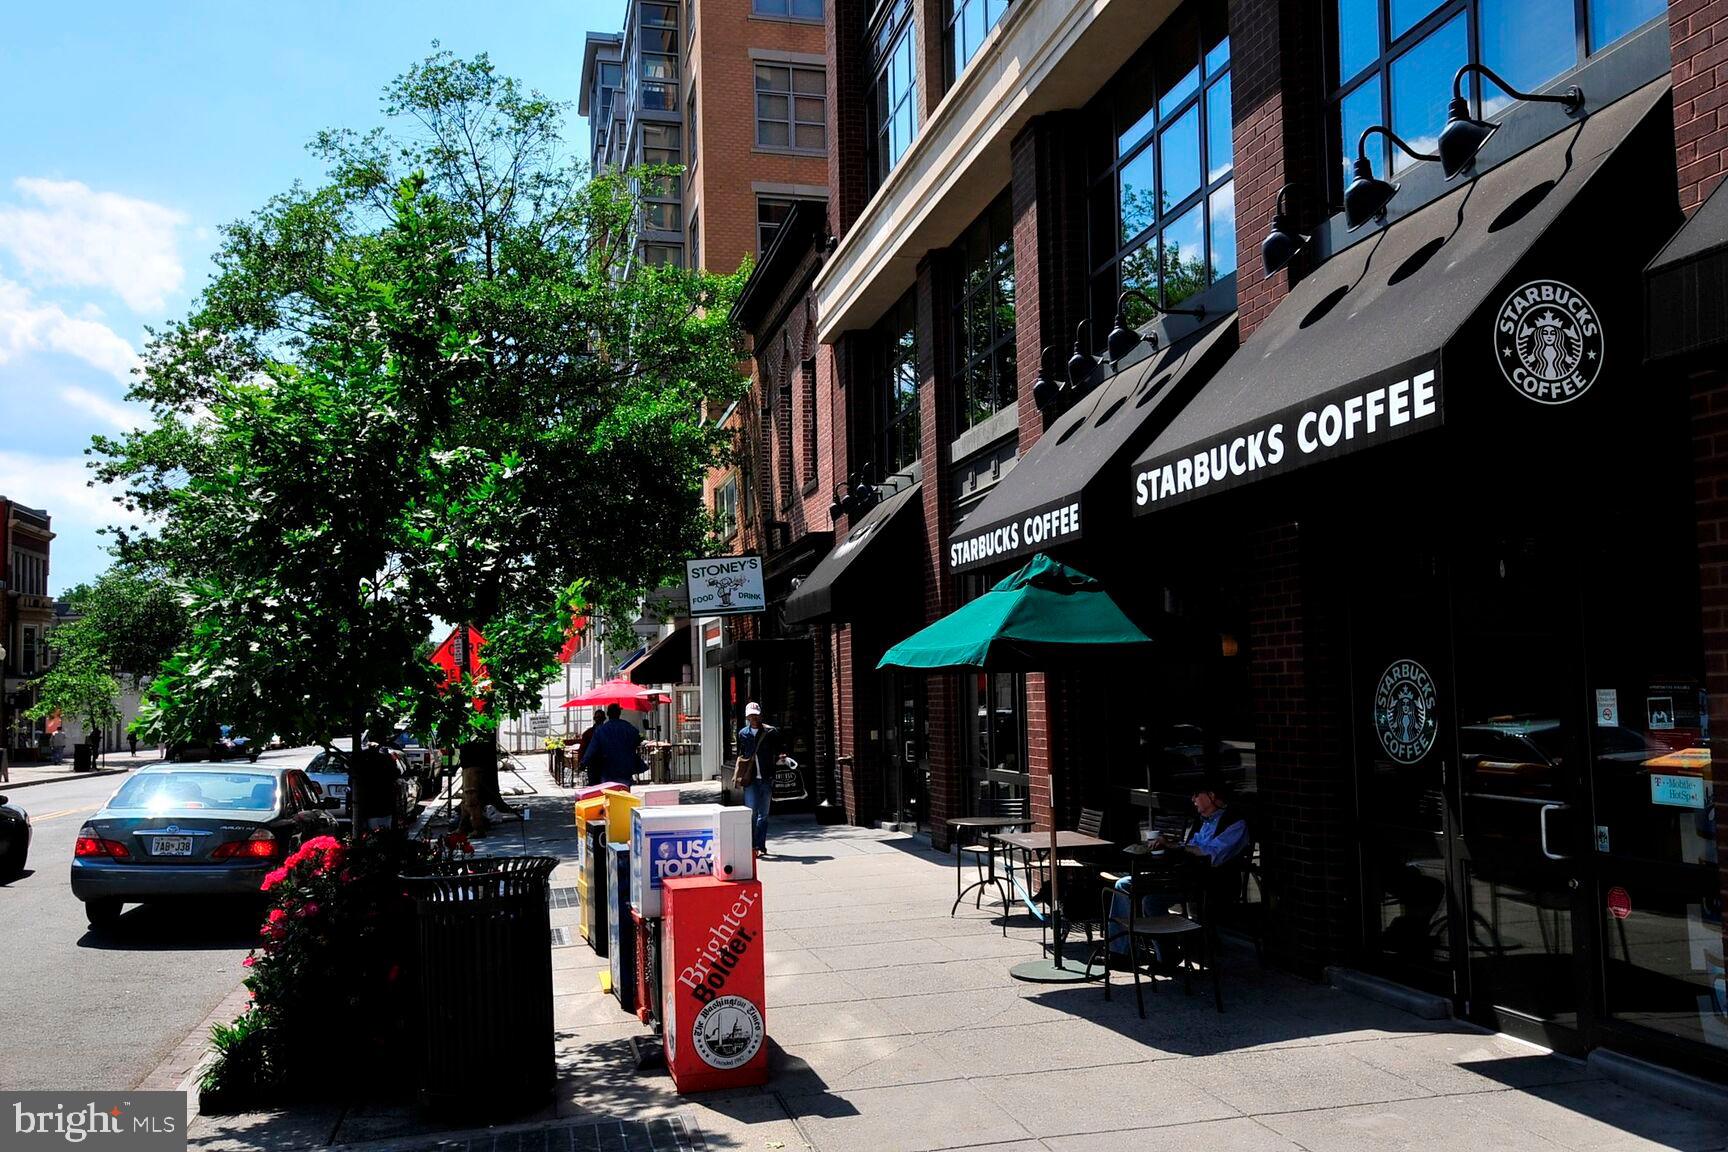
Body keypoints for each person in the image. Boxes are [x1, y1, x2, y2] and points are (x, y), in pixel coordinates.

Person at [1109, 778, 1249, 958]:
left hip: (1211, 883)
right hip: (1185, 877)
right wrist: (1168, 846)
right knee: (1130, 888)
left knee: (1138, 893)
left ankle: (1155, 955)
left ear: (1211, 796)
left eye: (1196, 795)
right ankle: (1157, 955)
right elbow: (1190, 847)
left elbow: (1212, 854)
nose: (1193, 800)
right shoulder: (1203, 821)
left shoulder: (1235, 824)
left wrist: (1175, 846)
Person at [735, 702, 784, 856]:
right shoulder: (743, 733)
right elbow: (741, 754)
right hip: (750, 780)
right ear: (747, 717)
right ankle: (753, 846)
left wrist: (782, 756)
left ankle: (760, 845)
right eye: (751, 715)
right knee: (752, 813)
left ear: (760, 715)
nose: (754, 718)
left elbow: (780, 749)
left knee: (763, 815)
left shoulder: (771, 732)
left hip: (766, 777)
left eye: (756, 714)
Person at [581, 703, 644, 786]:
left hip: (608, 767)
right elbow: (638, 739)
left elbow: (592, 748)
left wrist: (583, 763)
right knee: (625, 791)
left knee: (609, 791)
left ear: (607, 715)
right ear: (619, 713)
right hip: (625, 766)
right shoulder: (628, 727)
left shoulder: (601, 730)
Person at [574, 708, 606, 786]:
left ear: (604, 718)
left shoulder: (607, 731)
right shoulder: (588, 733)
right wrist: (582, 762)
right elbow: (583, 748)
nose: (598, 719)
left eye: (600, 717)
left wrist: (582, 762)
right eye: (597, 717)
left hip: (604, 762)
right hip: (593, 763)